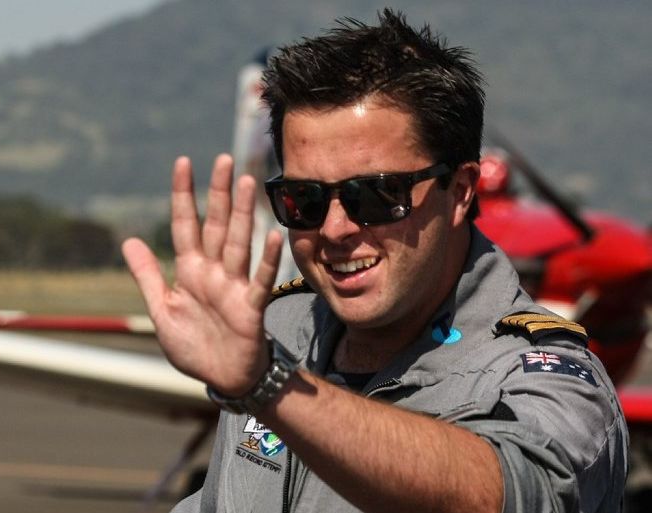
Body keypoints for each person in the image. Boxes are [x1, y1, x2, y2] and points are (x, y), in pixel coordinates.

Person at [122, 9, 628, 513]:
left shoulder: (544, 375)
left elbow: (508, 494)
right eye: (304, 199)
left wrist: (268, 387)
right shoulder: (273, 329)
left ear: (460, 191)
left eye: (378, 195)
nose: (335, 229)